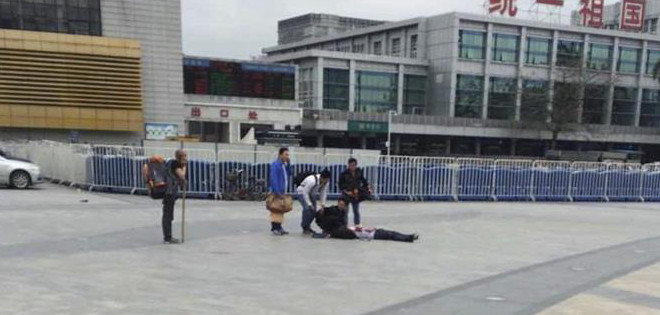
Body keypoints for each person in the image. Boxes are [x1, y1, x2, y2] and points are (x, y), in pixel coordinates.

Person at [314, 198, 419, 243]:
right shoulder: (337, 228)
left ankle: (408, 237)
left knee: (389, 233)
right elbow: (348, 234)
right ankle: (407, 238)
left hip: (366, 231)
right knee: (389, 234)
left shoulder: (337, 222)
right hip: (369, 234)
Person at [162, 149, 187, 244]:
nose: (185, 158)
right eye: (184, 156)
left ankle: (167, 236)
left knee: (168, 214)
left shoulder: (172, 163)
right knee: (168, 215)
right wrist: (184, 166)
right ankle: (167, 237)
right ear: (179, 157)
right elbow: (182, 175)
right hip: (170, 192)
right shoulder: (175, 164)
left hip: (169, 191)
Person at [338, 158, 371, 227]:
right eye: (350, 165)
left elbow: (364, 181)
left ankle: (357, 224)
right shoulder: (344, 173)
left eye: (353, 165)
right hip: (346, 194)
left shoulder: (359, 172)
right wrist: (346, 191)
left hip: (355, 193)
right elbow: (340, 185)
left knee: (356, 210)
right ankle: (344, 225)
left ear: (356, 165)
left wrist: (368, 187)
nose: (352, 167)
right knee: (345, 210)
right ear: (348, 165)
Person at [296, 169, 331, 235]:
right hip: (301, 192)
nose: (327, 181)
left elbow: (323, 193)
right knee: (307, 209)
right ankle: (304, 226)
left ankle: (307, 226)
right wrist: (309, 204)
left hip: (311, 194)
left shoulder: (326, 183)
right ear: (322, 178)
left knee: (314, 211)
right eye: (326, 180)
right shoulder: (312, 180)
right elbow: (305, 192)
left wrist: (322, 204)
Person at [268, 147, 291, 236]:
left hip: (283, 190)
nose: (287, 157)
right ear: (280, 155)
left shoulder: (284, 165)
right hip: (277, 191)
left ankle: (279, 226)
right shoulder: (275, 165)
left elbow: (289, 173)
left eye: (288, 155)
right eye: (286, 154)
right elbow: (274, 179)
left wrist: (289, 164)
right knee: (275, 209)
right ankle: (275, 227)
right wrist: (277, 191)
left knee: (281, 209)